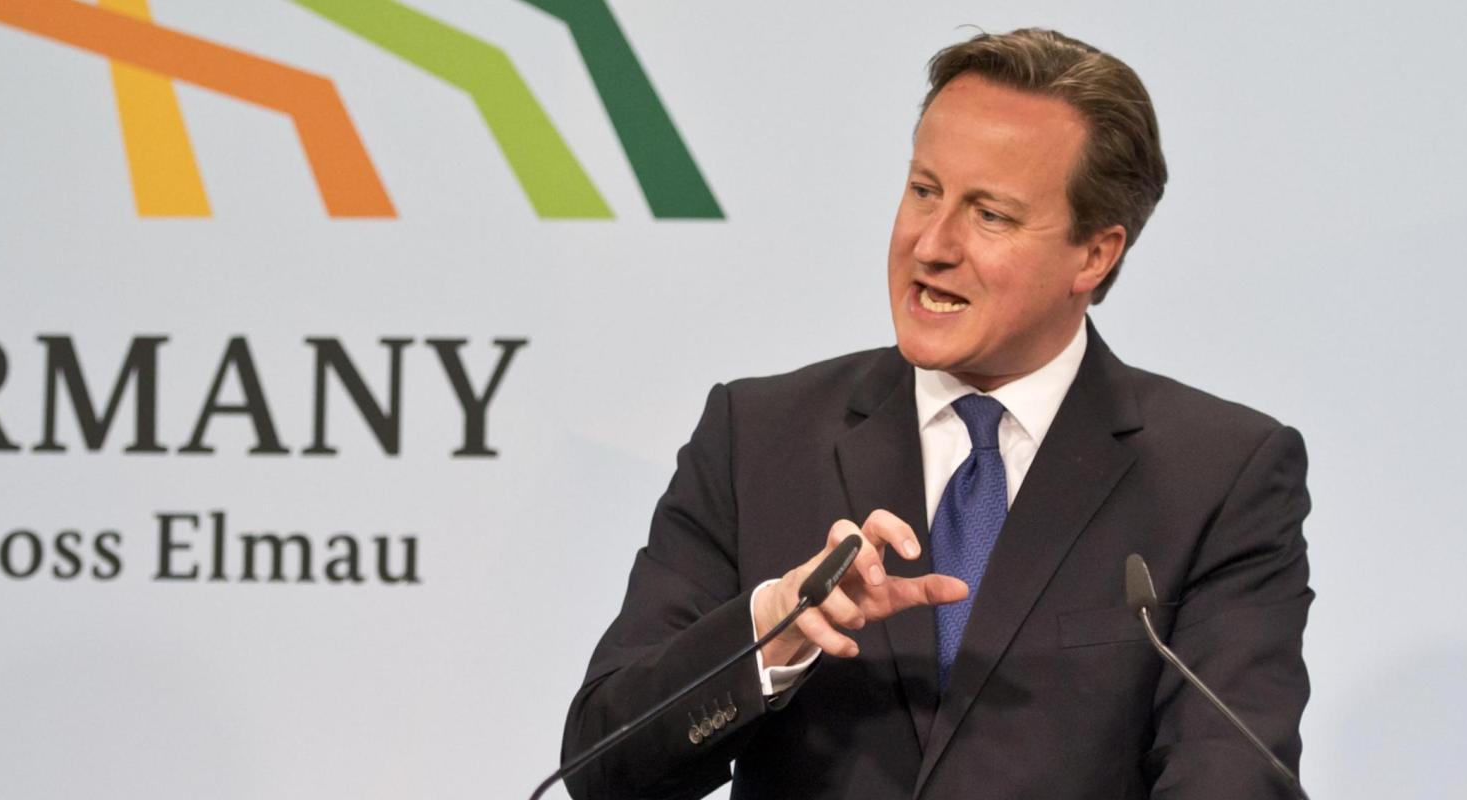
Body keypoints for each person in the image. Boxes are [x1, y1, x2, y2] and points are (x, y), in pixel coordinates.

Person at [559, 28, 1313, 800]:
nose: (931, 244)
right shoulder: (756, 437)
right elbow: (599, 766)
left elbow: (1232, 775)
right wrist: (769, 635)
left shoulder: (1219, 478)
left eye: (991, 215)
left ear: (1095, 254)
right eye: (924, 190)